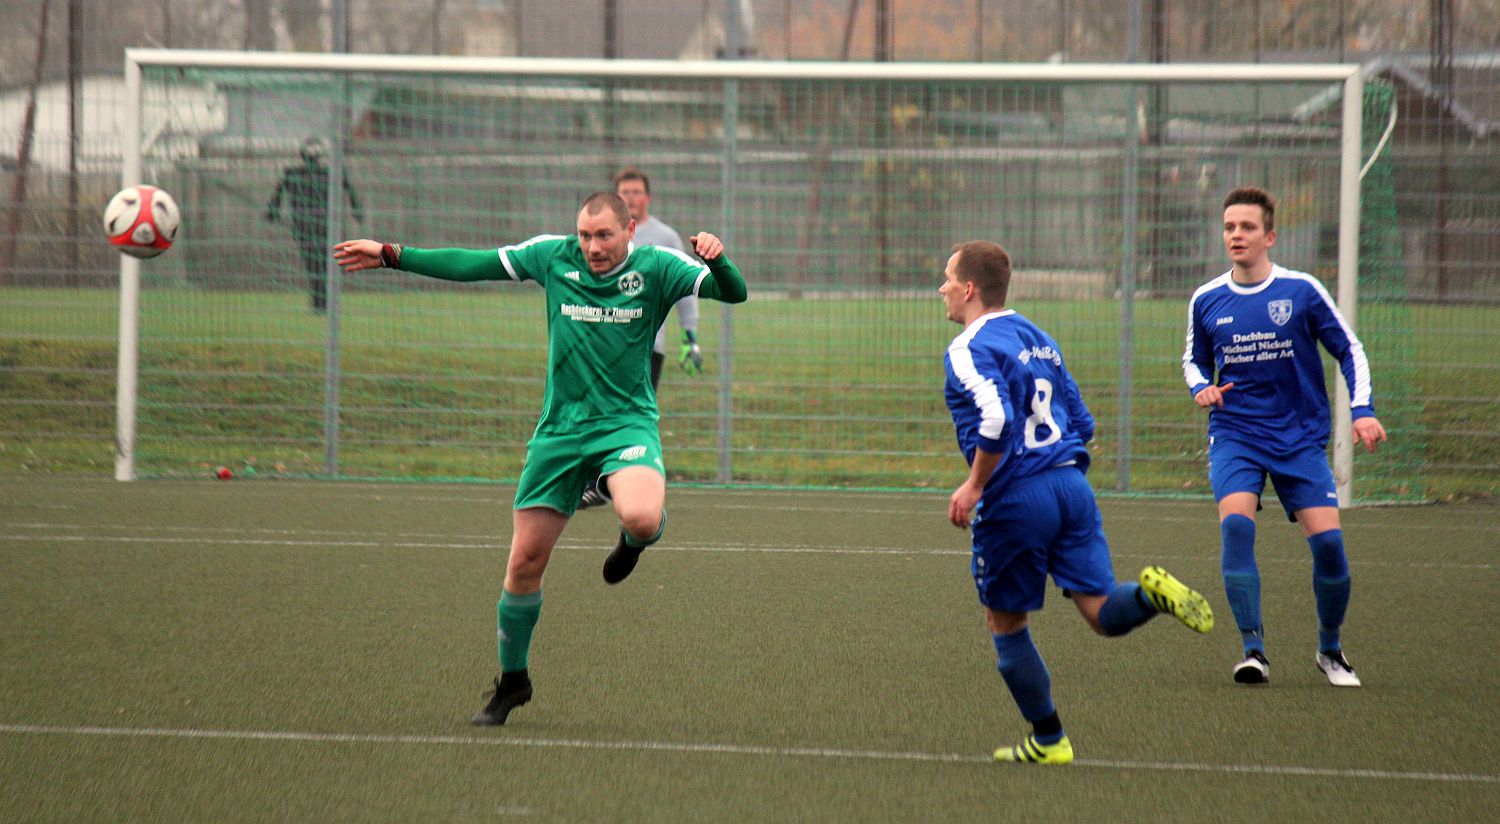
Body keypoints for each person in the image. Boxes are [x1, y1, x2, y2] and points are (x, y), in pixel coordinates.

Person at [333, 192, 748, 726]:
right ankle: (513, 681)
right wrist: (393, 254)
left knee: (641, 517)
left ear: (630, 233)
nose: (592, 247)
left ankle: (638, 537)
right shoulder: (552, 256)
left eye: (603, 236)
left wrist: (718, 259)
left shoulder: (659, 267)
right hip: (559, 433)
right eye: (584, 235)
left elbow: (732, 293)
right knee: (524, 563)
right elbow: (473, 263)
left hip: (625, 425)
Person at [942, 240, 1213, 766]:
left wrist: (975, 484)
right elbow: (1083, 422)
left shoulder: (967, 348)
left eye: (948, 279)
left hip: (1017, 498)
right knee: (1102, 612)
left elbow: (995, 420)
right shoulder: (1041, 339)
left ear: (970, 289)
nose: (943, 289)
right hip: (1072, 486)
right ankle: (1152, 597)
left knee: (1005, 625)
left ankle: (1049, 740)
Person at [1182, 186, 1387, 688]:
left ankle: (1330, 649)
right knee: (1235, 529)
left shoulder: (1302, 291)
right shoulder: (1207, 298)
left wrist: (1362, 411)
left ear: (1270, 235)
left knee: (1330, 547)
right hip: (1236, 433)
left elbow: (1350, 349)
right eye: (1230, 227)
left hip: (1298, 438)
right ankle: (1253, 650)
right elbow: (1193, 359)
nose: (1236, 235)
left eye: (1247, 227)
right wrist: (1201, 388)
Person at [579, 166, 703, 509]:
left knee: (631, 414)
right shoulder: (598, 238)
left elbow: (686, 290)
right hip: (601, 345)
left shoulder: (665, 238)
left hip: (648, 346)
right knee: (594, 407)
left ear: (647, 197)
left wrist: (690, 338)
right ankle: (599, 480)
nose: (631, 197)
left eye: (636, 192)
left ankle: (627, 484)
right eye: (625, 191)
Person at [266, 137, 364, 312]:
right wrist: (357, 211)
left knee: (316, 265)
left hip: (312, 227)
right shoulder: (302, 174)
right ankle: (321, 302)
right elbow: (277, 197)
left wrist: (272, 211)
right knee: (321, 265)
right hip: (319, 227)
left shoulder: (301, 174)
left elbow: (276, 198)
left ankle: (321, 303)